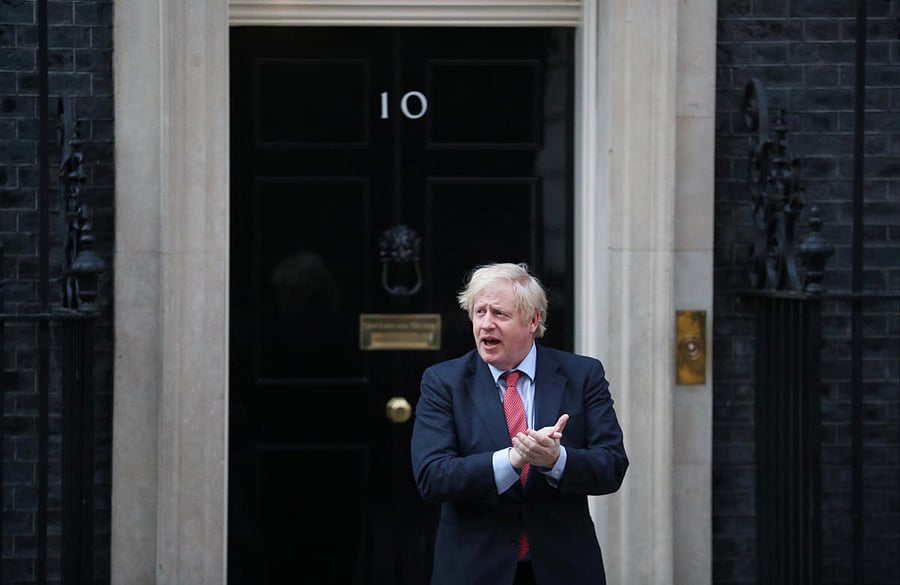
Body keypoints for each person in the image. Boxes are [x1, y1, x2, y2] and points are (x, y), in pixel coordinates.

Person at [410, 262, 628, 585]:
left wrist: (556, 460)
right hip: (474, 570)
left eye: (499, 314)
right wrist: (511, 460)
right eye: (479, 311)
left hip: (563, 569)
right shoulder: (443, 382)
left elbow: (612, 466)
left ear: (533, 320)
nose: (486, 325)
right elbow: (432, 476)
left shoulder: (583, 375)